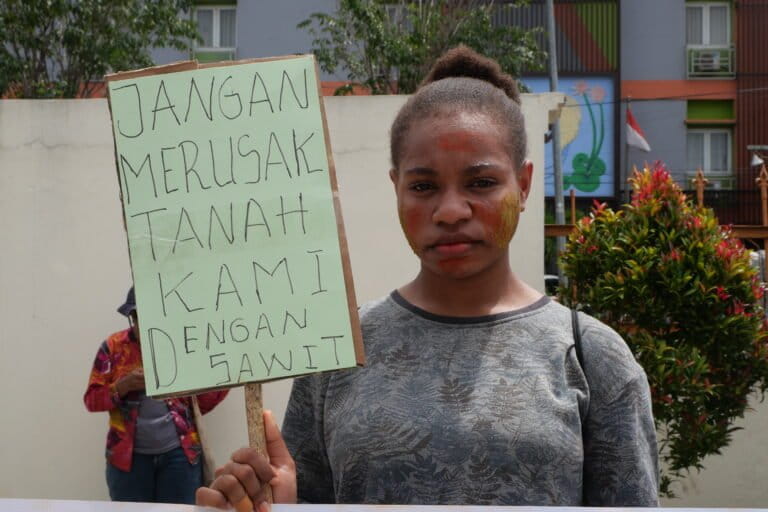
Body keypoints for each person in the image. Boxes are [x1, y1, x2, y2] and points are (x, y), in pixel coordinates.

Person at [195, 46, 659, 510]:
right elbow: (305, 496)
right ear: (396, 187)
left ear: (523, 184)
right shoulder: (340, 354)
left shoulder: (591, 356)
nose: (451, 211)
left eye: (480, 183)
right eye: (423, 187)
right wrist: (275, 505)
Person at [84, 286, 229, 504]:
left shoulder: (182, 345)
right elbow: (92, 400)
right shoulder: (114, 347)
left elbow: (203, 403)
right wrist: (122, 386)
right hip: (127, 458)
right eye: (139, 318)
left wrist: (223, 372)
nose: (146, 326)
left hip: (179, 455)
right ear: (132, 318)